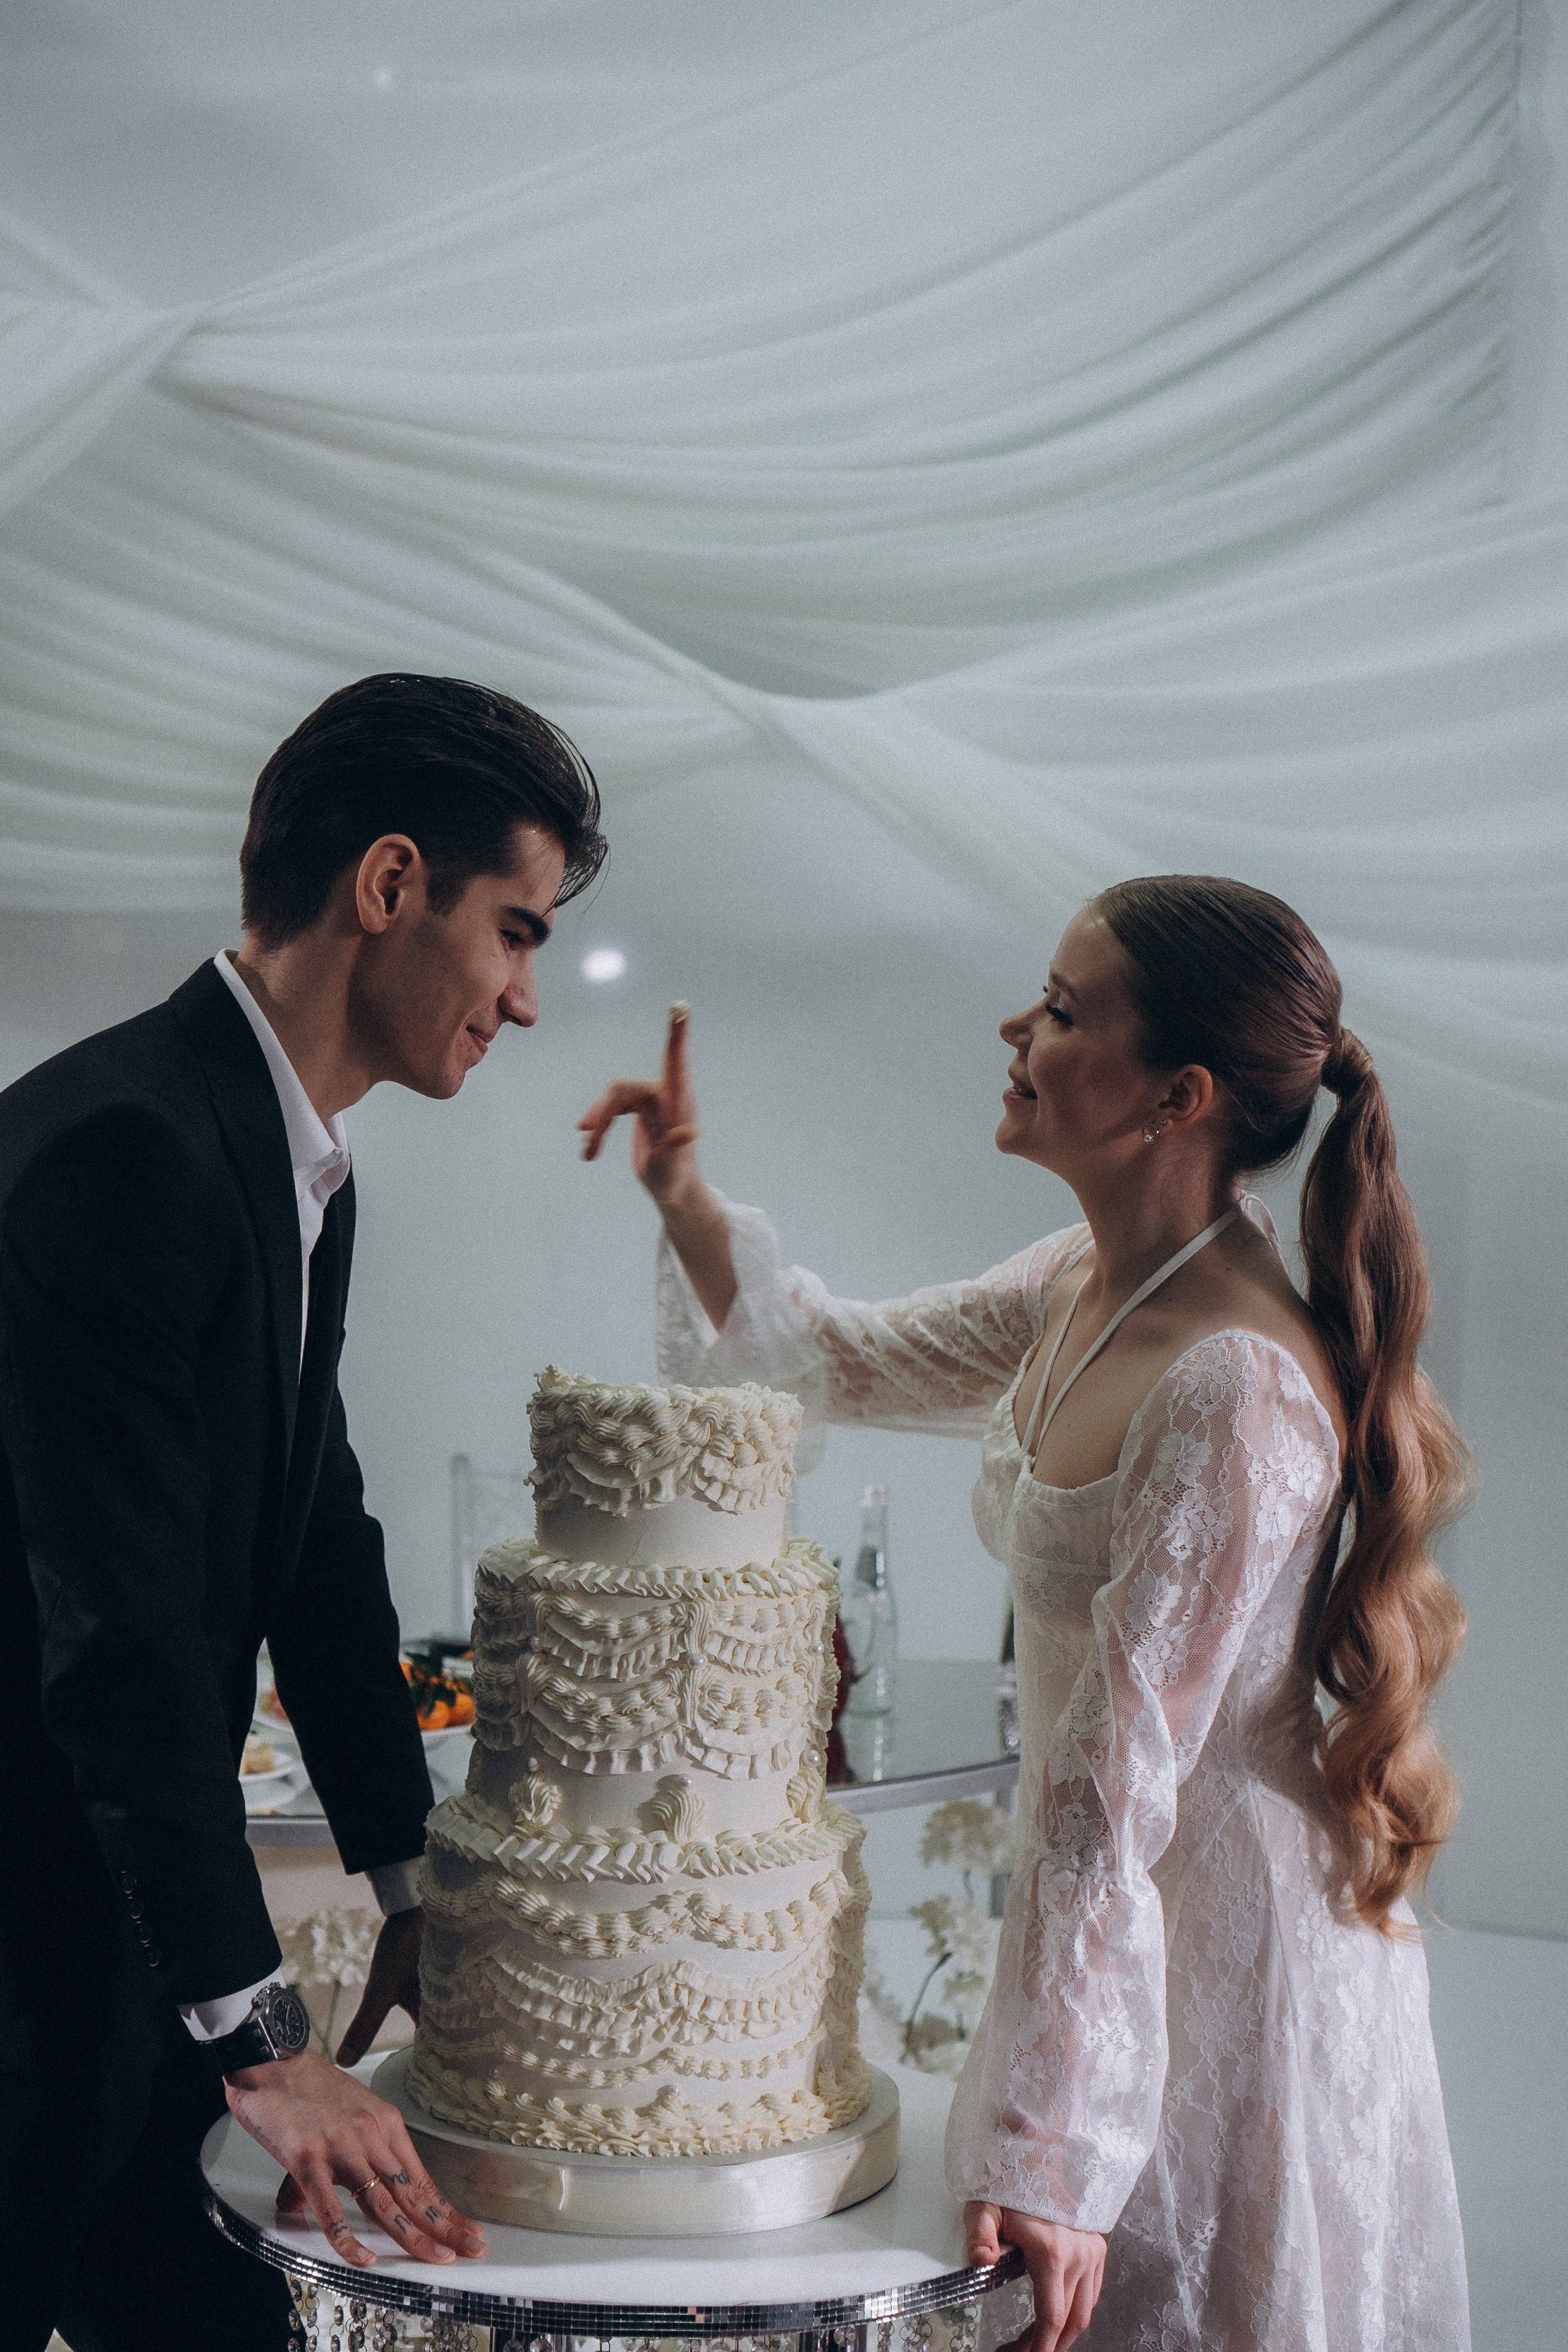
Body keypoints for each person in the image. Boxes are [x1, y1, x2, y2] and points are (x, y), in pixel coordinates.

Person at [579, 875, 1472, 2352]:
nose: (1015, 1026)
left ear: (1175, 1096)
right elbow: (840, 1363)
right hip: (1102, 1910)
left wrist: (1055, 2143)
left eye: (1061, 1010)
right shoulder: (1082, 1282)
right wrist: (683, 1195)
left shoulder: (1233, 1388)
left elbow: (1111, 1786)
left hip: (1207, 1959)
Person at [1, 673, 606, 2352]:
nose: (527, 996)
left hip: (131, 1954)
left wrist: (411, 1879)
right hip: (33, 1955)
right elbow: (117, 1638)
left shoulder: (293, 1165)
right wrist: (268, 2042)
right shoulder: (119, 1149)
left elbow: (316, 1548)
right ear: (391, 884)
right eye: (519, 930)